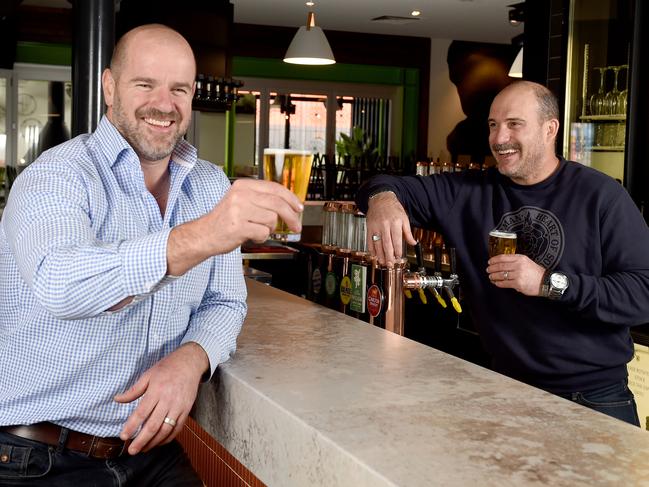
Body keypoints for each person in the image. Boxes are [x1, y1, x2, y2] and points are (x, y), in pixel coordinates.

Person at [0, 24, 303, 485]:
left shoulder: (209, 185)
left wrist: (193, 358)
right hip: (37, 455)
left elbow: (225, 302)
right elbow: (62, 286)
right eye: (145, 84)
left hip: (146, 456)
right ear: (109, 87)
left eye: (178, 88)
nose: (164, 103)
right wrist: (203, 236)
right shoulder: (57, 176)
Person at [357, 80, 649, 426]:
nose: (499, 139)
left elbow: (642, 294)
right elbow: (384, 185)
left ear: (549, 129)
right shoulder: (468, 192)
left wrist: (547, 282)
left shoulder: (600, 196)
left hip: (594, 398)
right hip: (508, 392)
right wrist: (382, 200)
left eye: (514, 124)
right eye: (494, 125)